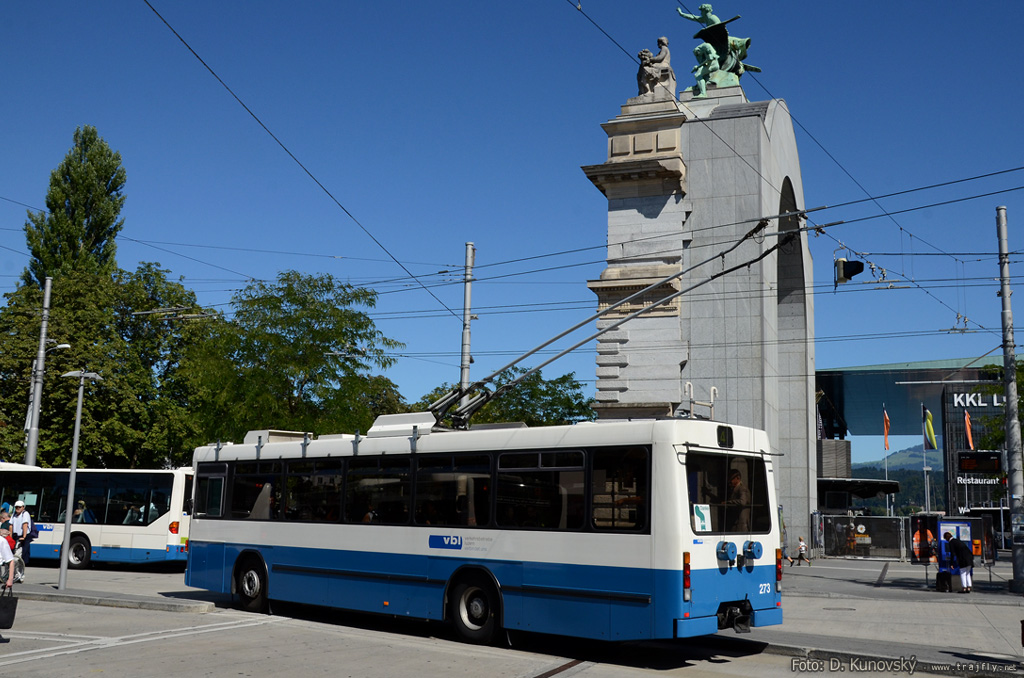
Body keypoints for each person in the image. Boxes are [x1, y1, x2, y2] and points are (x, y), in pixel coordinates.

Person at [10, 501, 33, 577]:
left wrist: (24, 536)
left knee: (19, 557)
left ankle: (20, 574)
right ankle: (16, 574)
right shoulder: (14, 514)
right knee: (15, 557)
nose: (17, 509)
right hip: (16, 536)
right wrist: (10, 537)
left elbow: (25, 525)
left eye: (19, 507)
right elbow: (11, 525)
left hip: (23, 538)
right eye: (16, 507)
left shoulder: (25, 514)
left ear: (23, 507)